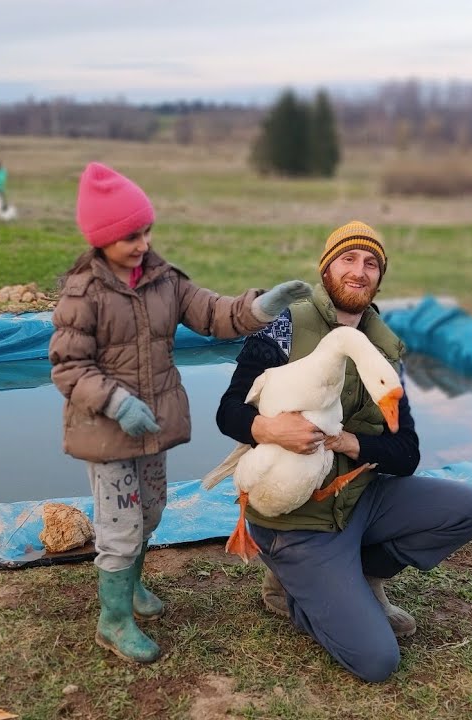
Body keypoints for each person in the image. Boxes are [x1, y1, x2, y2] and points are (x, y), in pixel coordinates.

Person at [49, 161, 313, 664]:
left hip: (152, 428)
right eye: (131, 236)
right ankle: (113, 620)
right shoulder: (83, 295)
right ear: (101, 239)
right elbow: (68, 367)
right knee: (119, 527)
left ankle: (132, 587)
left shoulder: (164, 281)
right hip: (107, 434)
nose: (143, 243)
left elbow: (214, 314)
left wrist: (262, 306)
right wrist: (115, 402)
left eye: (146, 231)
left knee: (150, 513)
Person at [215, 220, 472, 683]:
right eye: (348, 259)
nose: (359, 271)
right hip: (299, 519)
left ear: (379, 278)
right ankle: (293, 590)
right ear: (326, 269)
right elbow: (229, 412)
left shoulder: (383, 348)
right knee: (377, 661)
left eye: (371, 264)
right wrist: (268, 428)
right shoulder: (285, 325)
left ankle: (362, 577)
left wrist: (349, 442)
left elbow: (406, 453)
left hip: (359, 499)